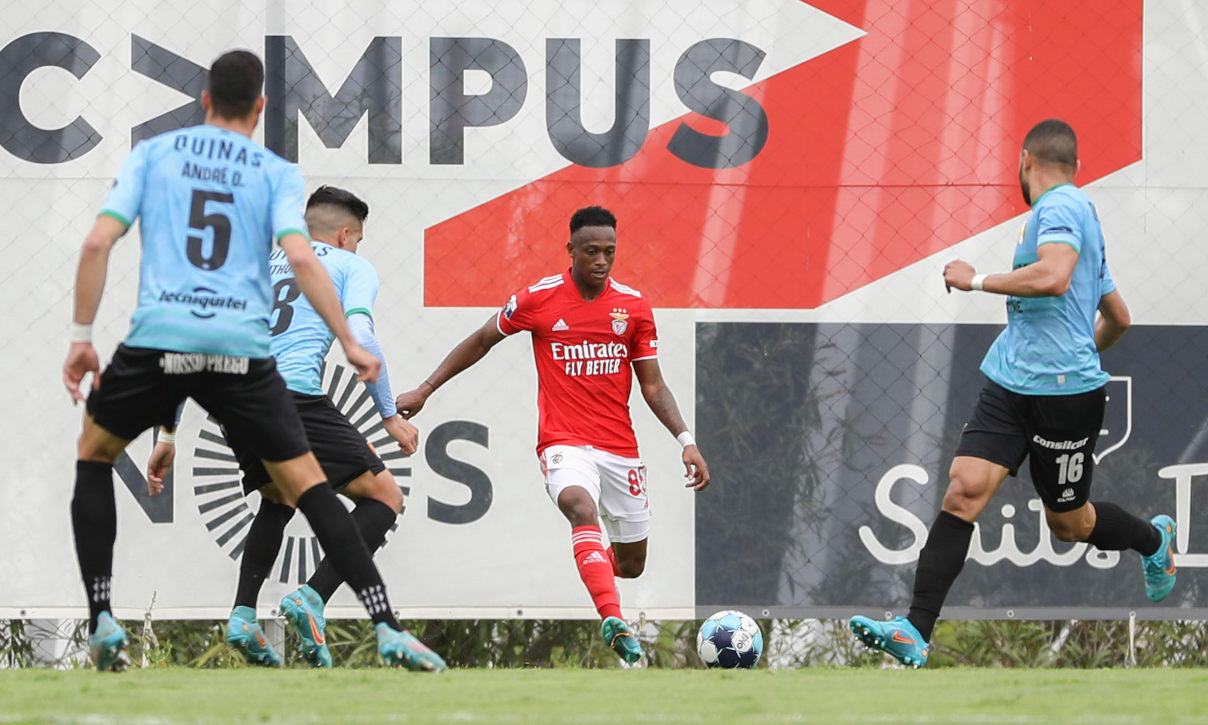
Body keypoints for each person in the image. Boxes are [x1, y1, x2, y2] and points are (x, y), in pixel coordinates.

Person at [62, 50, 441, 672]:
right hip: (250, 368)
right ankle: (376, 622)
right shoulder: (275, 178)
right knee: (344, 492)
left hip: (162, 337)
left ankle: (109, 614)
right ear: (261, 107)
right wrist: (350, 343)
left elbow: (100, 240)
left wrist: (154, 414)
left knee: (99, 456)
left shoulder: (153, 156)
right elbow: (306, 264)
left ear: (204, 101)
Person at [849, 119, 1176, 668]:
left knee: (1068, 524)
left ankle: (1152, 541)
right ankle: (915, 629)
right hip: (1010, 382)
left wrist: (975, 280)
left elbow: (1053, 278)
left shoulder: (1062, 207)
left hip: (1064, 397)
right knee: (963, 490)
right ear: (1077, 164)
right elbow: (1118, 316)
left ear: (1025, 160)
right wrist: (1084, 348)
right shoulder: (1064, 218)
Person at [395, 205, 710, 664]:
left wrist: (687, 441)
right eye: (591, 252)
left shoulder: (634, 307)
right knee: (579, 506)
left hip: (619, 448)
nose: (601, 261)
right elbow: (482, 339)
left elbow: (653, 385)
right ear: (571, 251)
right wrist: (426, 389)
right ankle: (612, 618)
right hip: (563, 442)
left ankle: (600, 571)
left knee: (630, 565)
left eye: (609, 252)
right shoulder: (537, 299)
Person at [145, 186, 431, 669]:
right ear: (345, 235)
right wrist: (386, 416)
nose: (357, 248)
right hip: (291, 396)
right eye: (357, 240)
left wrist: (168, 434)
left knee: (278, 497)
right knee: (385, 496)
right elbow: (361, 335)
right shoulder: (349, 266)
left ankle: (241, 614)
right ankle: (311, 597)